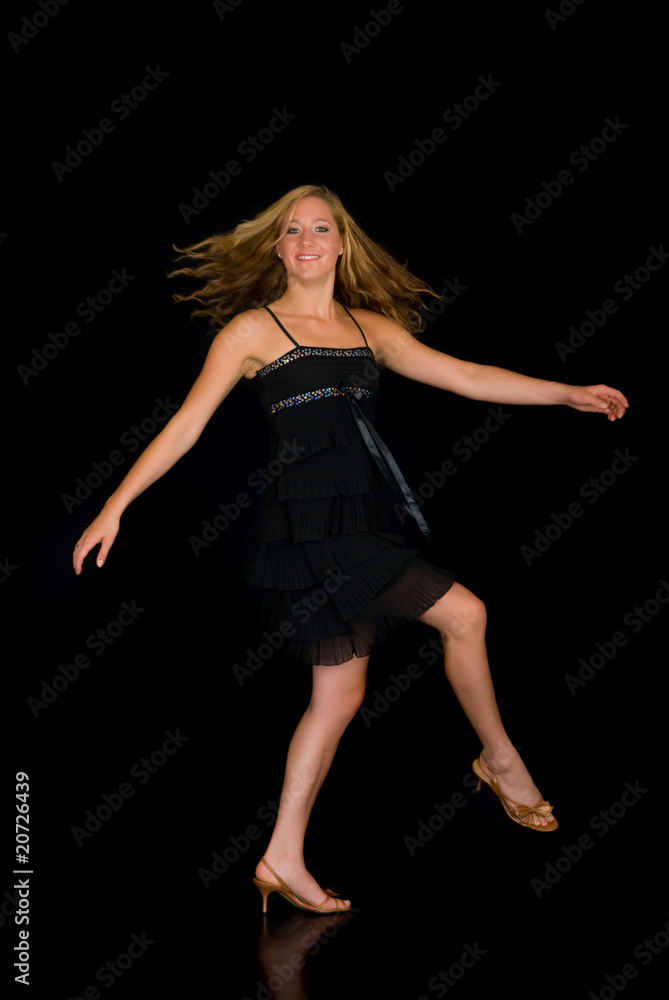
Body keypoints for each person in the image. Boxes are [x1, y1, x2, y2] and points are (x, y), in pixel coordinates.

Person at [73, 184, 628, 915]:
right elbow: (185, 425)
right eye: (292, 230)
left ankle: (281, 857)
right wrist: (114, 505)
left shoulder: (371, 330)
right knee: (466, 616)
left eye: (320, 229)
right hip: (310, 526)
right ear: (278, 248)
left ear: (340, 245)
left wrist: (565, 392)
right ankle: (500, 760)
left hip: (357, 519)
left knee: (338, 697)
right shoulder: (252, 331)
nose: (306, 240)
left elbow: (466, 376)